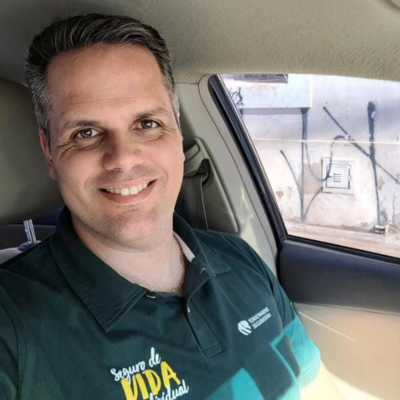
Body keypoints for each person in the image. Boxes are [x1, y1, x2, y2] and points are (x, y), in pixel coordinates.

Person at [0, 14, 343, 400]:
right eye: (86, 133)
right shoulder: (12, 323)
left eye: (147, 124)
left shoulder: (241, 260)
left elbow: (316, 387)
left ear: (177, 130)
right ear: (49, 152)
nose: (123, 159)